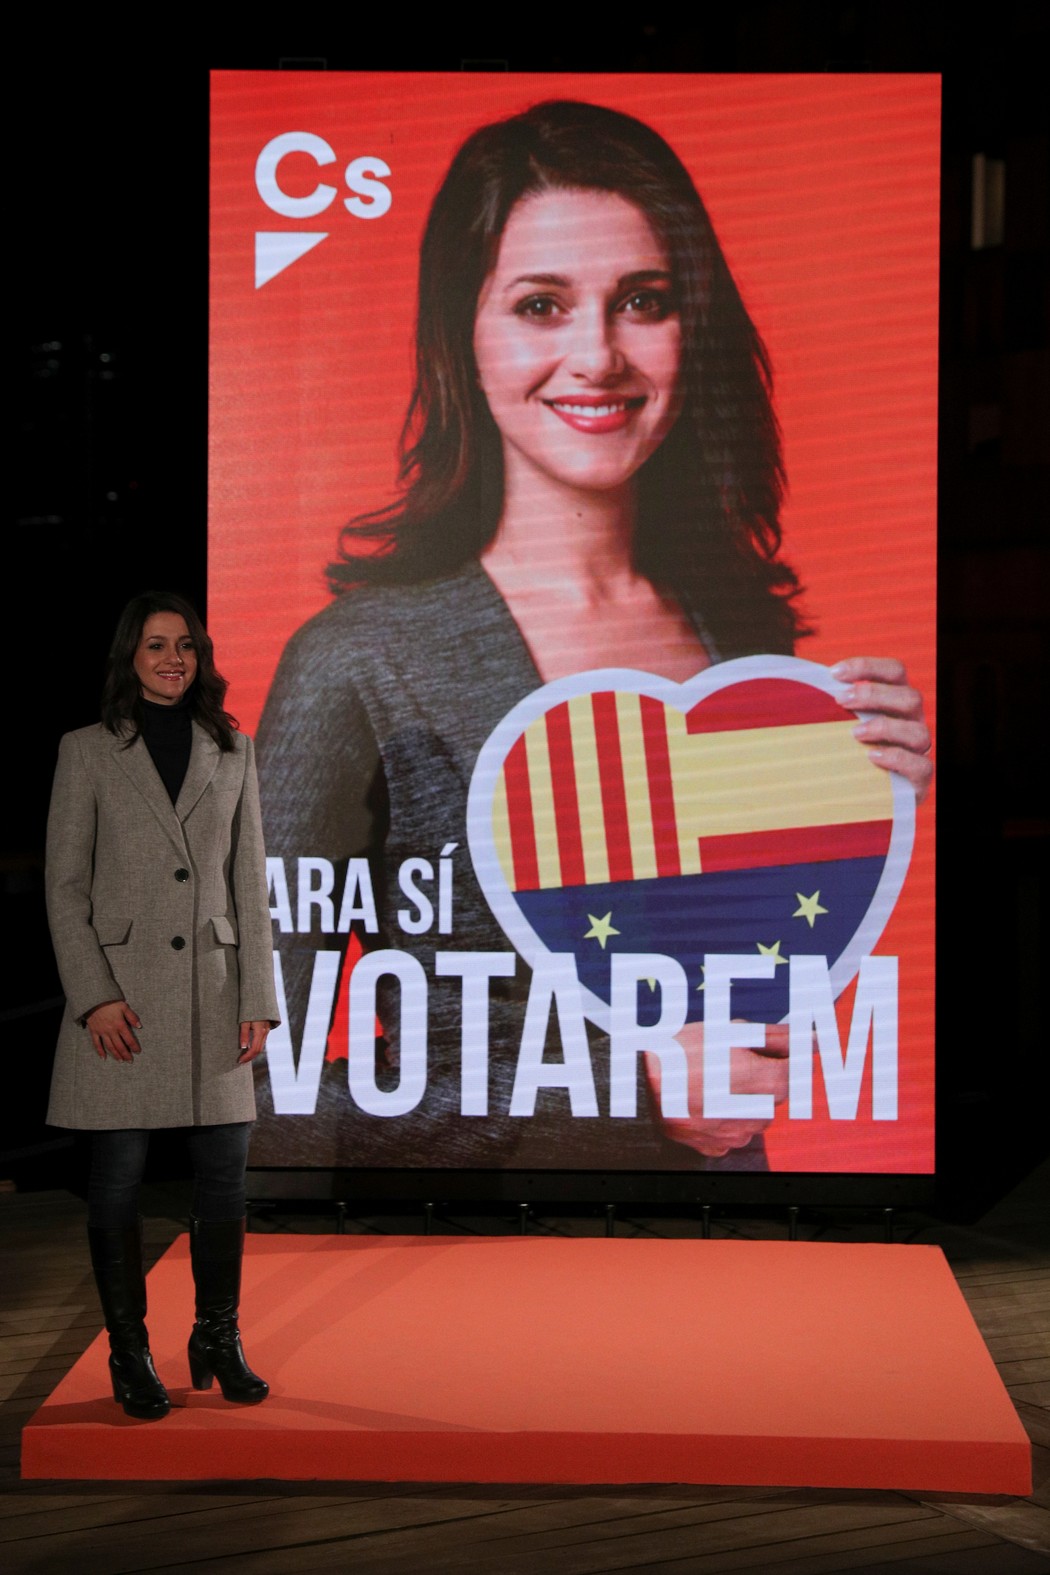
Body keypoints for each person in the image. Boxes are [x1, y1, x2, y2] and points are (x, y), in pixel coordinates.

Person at [254, 100, 931, 1172]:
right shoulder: (355, 663)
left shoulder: (740, 633)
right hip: (463, 1277)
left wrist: (867, 795)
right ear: (462, 335)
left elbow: (752, 994)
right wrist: (622, 1089)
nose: (598, 354)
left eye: (642, 302)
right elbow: (249, 1086)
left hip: (726, 1258)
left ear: (689, 327)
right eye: (540, 304)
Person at [45, 591, 279, 1420]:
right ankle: (129, 1350)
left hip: (215, 997)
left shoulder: (234, 748)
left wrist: (259, 997)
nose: (172, 658)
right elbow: (64, 886)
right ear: (129, 657)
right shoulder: (87, 751)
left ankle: (217, 1334)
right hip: (124, 1004)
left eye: (184, 645)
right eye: (154, 646)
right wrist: (94, 996)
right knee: (116, 1182)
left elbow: (248, 883)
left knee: (224, 1179)